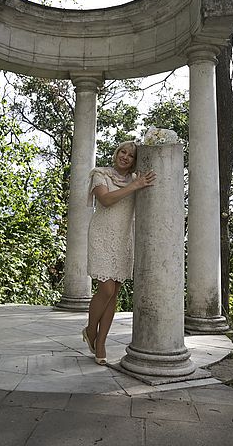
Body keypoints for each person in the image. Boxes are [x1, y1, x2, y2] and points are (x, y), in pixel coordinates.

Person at [82, 141, 156, 364]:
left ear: (135, 161)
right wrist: (136, 186)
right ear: (116, 153)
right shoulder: (100, 174)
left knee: (114, 293)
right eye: (123, 152)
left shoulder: (136, 179)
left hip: (124, 238)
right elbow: (105, 200)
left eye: (131, 155)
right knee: (105, 289)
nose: (125, 157)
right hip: (102, 236)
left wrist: (138, 183)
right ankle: (90, 330)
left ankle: (101, 343)